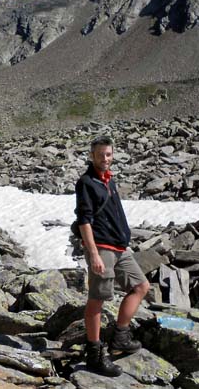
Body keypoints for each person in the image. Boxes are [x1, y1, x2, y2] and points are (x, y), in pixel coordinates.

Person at [75, 135, 150, 377]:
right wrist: (94, 254)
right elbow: (84, 220)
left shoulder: (108, 180)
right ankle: (95, 354)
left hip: (119, 247)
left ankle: (120, 336)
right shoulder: (86, 182)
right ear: (92, 156)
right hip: (102, 248)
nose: (105, 158)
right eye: (100, 155)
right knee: (98, 298)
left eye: (108, 154)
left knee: (140, 286)